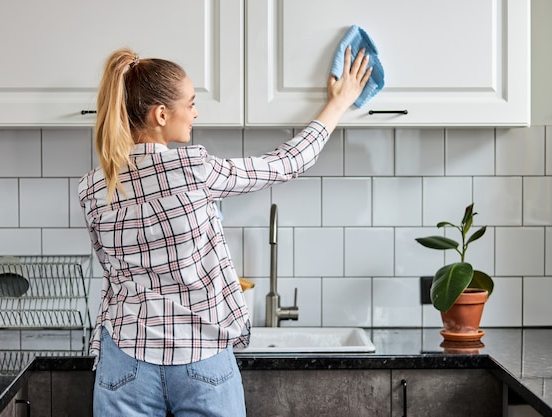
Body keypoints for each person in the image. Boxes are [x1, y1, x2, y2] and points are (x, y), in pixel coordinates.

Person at [79, 45, 371, 417]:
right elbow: (287, 163)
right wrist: (339, 103)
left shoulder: (92, 188)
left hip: (124, 358)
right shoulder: (194, 169)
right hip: (200, 357)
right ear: (161, 114)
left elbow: (110, 272)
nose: (196, 112)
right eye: (191, 102)